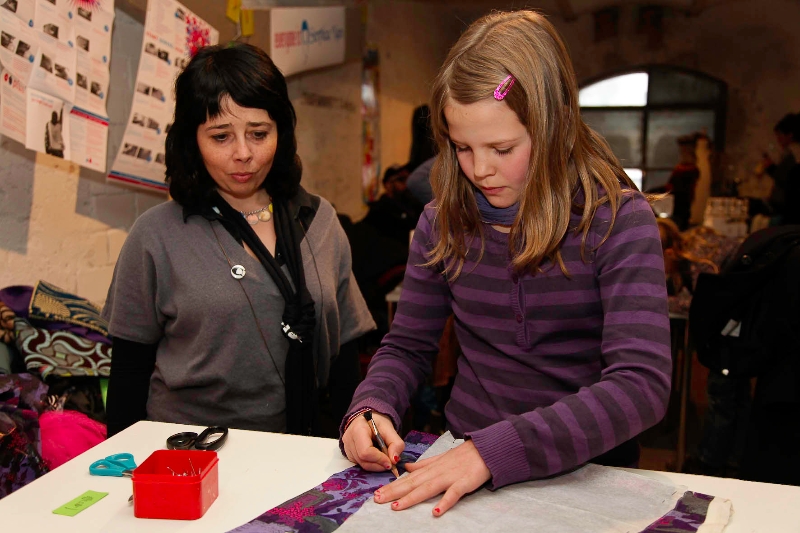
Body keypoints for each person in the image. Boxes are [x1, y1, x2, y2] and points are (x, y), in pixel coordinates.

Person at [340, 10, 671, 516]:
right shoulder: (442, 222)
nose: (480, 170)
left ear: (555, 125)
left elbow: (641, 385)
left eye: (502, 148)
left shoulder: (617, 222)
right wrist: (371, 405)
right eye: (462, 147)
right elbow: (407, 346)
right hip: (463, 465)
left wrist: (492, 453)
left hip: (589, 477)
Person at [103, 43, 375, 438]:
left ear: (281, 133)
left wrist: (353, 444)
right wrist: (125, 462)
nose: (243, 153)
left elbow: (345, 356)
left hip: (302, 450)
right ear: (192, 141)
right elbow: (129, 371)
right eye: (220, 137)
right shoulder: (156, 235)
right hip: (190, 453)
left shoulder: (319, 221)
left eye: (259, 133)